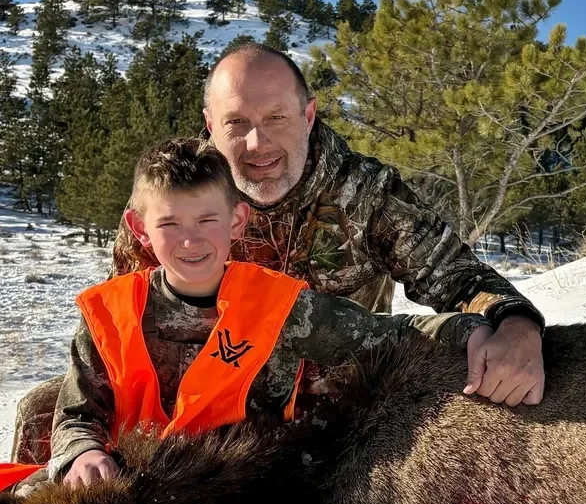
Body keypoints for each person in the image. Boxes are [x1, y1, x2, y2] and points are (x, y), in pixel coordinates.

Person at [11, 42, 545, 465]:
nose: (255, 144)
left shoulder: (366, 195)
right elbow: (125, 332)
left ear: (308, 115)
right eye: (236, 123)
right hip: (197, 408)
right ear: (209, 124)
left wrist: (516, 324)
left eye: (276, 119)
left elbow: (458, 278)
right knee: (43, 414)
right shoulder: (172, 205)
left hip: (330, 406)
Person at [0, 139, 490, 493]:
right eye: (169, 223)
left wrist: (484, 329)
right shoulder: (110, 314)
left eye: (206, 220)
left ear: (236, 221)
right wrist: (82, 453)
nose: (190, 240)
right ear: (140, 228)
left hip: (234, 499)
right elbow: (77, 414)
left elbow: (393, 336)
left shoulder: (281, 309)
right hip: (129, 487)